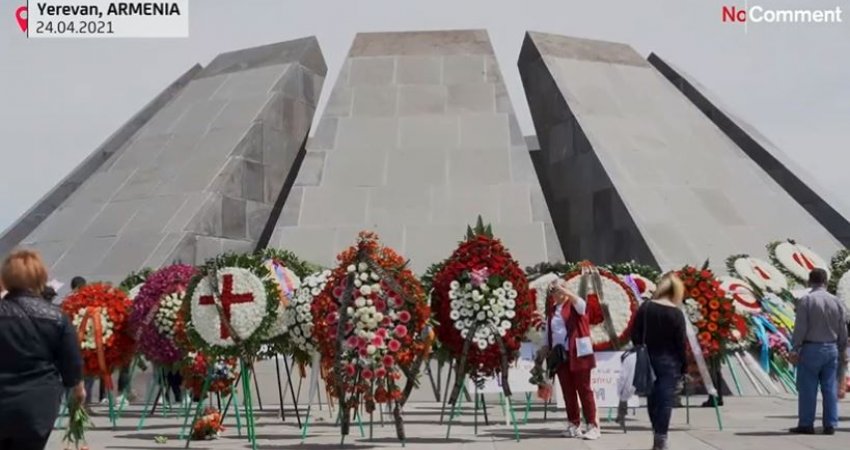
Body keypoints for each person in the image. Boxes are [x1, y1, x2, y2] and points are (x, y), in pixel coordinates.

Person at [0, 250, 85, 449]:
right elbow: (72, 364)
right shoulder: (57, 317)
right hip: (37, 404)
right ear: (41, 277)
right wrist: (78, 392)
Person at [631, 272, 687, 450]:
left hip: (648, 358)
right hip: (669, 361)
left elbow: (635, 334)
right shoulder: (676, 313)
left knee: (652, 398)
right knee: (665, 400)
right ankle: (661, 437)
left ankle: (657, 433)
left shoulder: (646, 307)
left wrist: (641, 346)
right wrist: (684, 366)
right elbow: (680, 343)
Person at [789, 268, 847, 435]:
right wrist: (843, 349)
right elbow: (842, 327)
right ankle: (830, 424)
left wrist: (795, 347)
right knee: (829, 387)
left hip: (811, 348)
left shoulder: (806, 300)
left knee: (808, 388)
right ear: (826, 282)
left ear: (809, 281)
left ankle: (806, 424)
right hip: (832, 348)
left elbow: (801, 327)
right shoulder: (836, 301)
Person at [544, 278, 600, 440]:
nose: (552, 294)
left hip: (579, 353)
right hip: (561, 356)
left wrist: (566, 290)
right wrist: (545, 348)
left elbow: (582, 305)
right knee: (568, 391)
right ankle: (573, 424)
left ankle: (592, 425)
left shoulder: (575, 305)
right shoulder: (552, 310)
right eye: (551, 291)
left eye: (554, 290)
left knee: (584, 389)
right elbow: (550, 331)